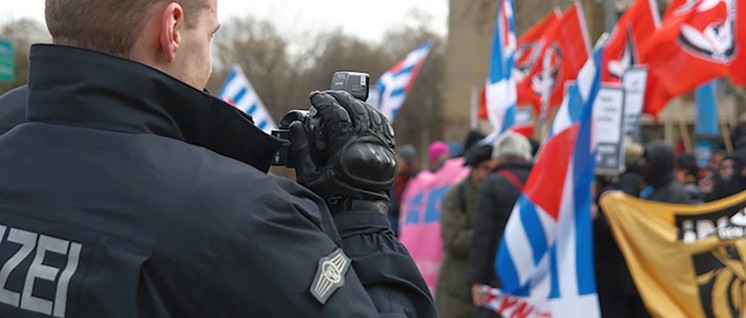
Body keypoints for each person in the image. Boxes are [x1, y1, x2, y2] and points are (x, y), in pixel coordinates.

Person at [0, 0, 436, 317]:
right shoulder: (245, 216)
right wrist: (361, 217)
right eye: (209, 35)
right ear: (172, 28)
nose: (208, 61)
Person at [468, 131, 533, 318]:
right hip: (533, 277)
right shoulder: (541, 182)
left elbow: (482, 238)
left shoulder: (491, 184)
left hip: (498, 277)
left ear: (497, 157)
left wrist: (477, 281)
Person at [436, 143, 495, 318]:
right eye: (479, 168)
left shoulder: (496, 194)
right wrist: (490, 237)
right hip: (455, 292)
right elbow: (454, 240)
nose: (482, 175)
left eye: (488, 168)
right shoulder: (456, 195)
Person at [389, 144, 419, 236]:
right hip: (393, 231)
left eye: (400, 160)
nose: (397, 162)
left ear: (408, 162)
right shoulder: (392, 181)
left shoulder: (416, 180)